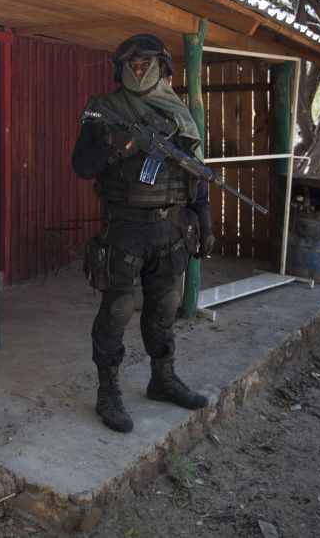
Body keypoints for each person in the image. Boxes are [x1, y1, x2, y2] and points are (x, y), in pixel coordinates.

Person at [71, 34, 214, 433]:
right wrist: (117, 148)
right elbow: (82, 166)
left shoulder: (178, 113)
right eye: (131, 63)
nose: (138, 69)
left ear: (162, 68)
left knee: (165, 306)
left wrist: (204, 220)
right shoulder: (104, 111)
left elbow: (195, 174)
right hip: (124, 229)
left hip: (171, 226)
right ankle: (108, 391)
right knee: (117, 310)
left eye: (146, 62)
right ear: (119, 68)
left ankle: (162, 378)